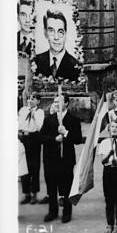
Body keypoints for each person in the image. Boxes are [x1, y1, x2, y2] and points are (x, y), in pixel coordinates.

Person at [39, 95, 83, 223]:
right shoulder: (49, 119)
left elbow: (78, 139)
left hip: (66, 160)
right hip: (50, 159)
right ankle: (52, 212)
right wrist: (54, 139)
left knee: (66, 187)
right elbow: (41, 137)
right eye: (55, 102)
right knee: (51, 188)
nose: (57, 104)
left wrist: (66, 133)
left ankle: (67, 213)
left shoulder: (73, 120)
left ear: (67, 104)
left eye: (60, 101)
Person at [33, 9, 80, 81]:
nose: (56, 37)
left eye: (60, 32)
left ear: (66, 34)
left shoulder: (75, 66)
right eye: (51, 31)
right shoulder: (36, 62)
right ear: (45, 33)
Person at [18, 93, 45, 204]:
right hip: (23, 138)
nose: (30, 100)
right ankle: (26, 194)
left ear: (38, 101)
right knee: (23, 166)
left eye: (33, 99)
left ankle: (34, 193)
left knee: (34, 166)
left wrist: (33, 116)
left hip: (34, 139)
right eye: (29, 98)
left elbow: (39, 127)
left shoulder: (40, 112)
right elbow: (19, 123)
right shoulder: (23, 110)